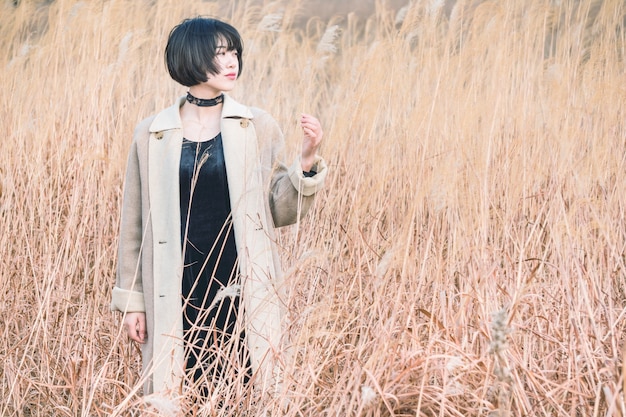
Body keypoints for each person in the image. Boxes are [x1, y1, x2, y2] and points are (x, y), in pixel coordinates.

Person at [110, 16, 327, 407]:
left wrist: (306, 161)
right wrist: (132, 303)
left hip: (241, 280)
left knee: (248, 386)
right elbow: (134, 227)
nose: (232, 62)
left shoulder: (257, 125)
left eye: (234, 52)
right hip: (176, 284)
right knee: (178, 389)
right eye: (219, 53)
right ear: (190, 59)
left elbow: (278, 209)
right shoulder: (151, 133)